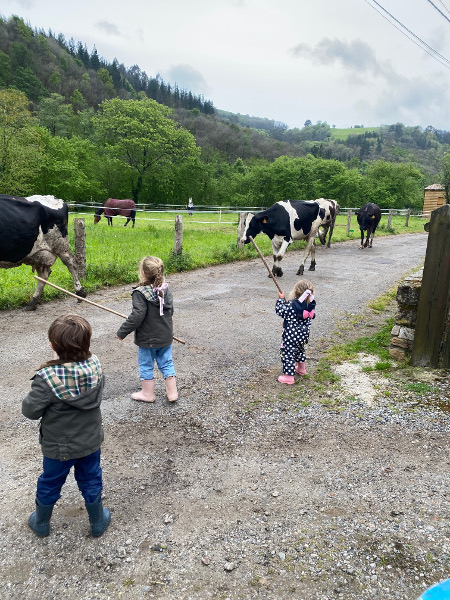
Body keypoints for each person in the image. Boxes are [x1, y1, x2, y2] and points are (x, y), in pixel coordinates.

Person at [22, 314, 110, 538]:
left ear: (52, 345)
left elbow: (30, 411)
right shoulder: (95, 366)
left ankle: (41, 522)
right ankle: (98, 521)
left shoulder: (47, 378)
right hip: (90, 441)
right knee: (91, 478)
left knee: (50, 481)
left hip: (58, 448)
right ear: (87, 343)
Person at [116, 256, 178, 403]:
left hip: (147, 339)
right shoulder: (165, 288)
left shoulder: (140, 292)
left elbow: (137, 316)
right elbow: (171, 311)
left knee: (146, 364)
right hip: (165, 336)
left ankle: (148, 394)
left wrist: (122, 332)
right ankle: (172, 394)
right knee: (167, 362)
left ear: (143, 273)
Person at [275, 279, 316, 384]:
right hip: (303, 336)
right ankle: (301, 369)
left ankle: (288, 377)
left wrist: (280, 299)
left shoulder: (292, 305)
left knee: (288, 354)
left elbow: (280, 311)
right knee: (300, 350)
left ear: (296, 292)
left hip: (291, 336)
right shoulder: (310, 306)